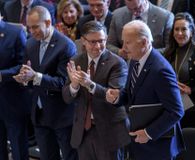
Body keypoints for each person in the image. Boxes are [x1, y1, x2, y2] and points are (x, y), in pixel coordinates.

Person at [106, 20, 185, 160]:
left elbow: (176, 111)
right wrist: (118, 96)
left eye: (128, 42)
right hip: (139, 142)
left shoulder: (160, 70)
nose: (123, 47)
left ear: (143, 42)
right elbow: (131, 92)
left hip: (157, 147)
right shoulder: (135, 59)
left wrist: (148, 133)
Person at [13, 6, 77, 160]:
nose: (32, 31)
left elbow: (63, 82)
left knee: (69, 156)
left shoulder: (66, 46)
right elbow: (29, 74)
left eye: (35, 27)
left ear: (48, 22)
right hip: (39, 113)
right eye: (29, 27)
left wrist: (35, 76)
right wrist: (24, 79)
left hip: (61, 115)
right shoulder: (30, 44)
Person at [62, 21, 130, 160]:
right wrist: (74, 85)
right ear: (83, 41)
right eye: (93, 42)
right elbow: (67, 98)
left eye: (101, 41)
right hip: (83, 130)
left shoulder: (117, 63)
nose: (98, 46)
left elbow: (114, 97)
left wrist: (90, 84)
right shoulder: (76, 60)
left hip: (109, 131)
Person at [0, 13, 30, 160]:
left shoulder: (15, 32)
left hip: (12, 99)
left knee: (18, 146)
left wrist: (1, 75)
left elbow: (23, 64)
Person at [107, 0, 174, 60]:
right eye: (130, 9)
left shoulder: (165, 17)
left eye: (137, 8)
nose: (134, 13)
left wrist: (146, 53)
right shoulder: (117, 15)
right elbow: (109, 44)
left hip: (154, 62)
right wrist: (119, 52)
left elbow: (170, 48)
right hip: (126, 63)